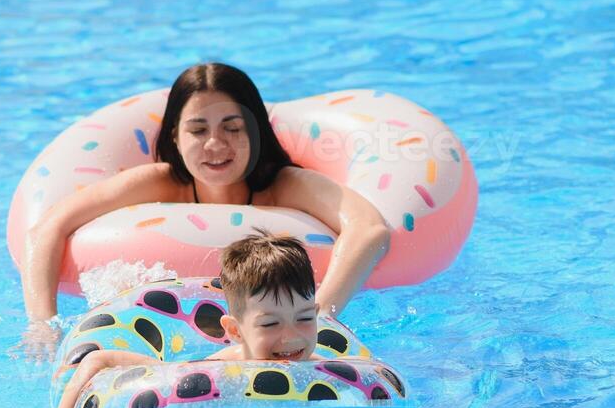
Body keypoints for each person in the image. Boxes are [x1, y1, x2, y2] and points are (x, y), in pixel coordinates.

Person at [22, 62, 390, 356]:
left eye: (233, 128)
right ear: (175, 138)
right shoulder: (159, 183)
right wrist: (43, 323)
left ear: (256, 133)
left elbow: (369, 230)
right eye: (198, 130)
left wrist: (321, 314)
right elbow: (47, 229)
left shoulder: (286, 185)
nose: (216, 144)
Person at [47, 231, 322, 408]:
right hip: (190, 380)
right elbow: (100, 361)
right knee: (97, 359)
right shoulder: (222, 372)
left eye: (305, 318)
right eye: (271, 323)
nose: (291, 336)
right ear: (236, 331)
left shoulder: (319, 368)